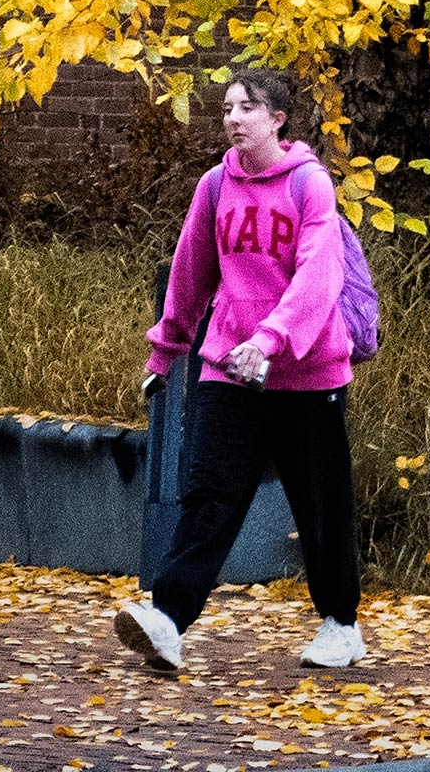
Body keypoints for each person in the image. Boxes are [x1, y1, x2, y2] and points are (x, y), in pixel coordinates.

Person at [114, 68, 365, 672]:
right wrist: (165, 351)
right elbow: (191, 271)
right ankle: (168, 620)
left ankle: (341, 624)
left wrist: (272, 339)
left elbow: (318, 274)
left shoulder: (310, 185)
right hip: (228, 365)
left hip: (306, 372)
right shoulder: (214, 185)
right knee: (209, 494)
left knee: (319, 503)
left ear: (277, 119)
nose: (232, 118)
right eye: (227, 108)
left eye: (246, 107)